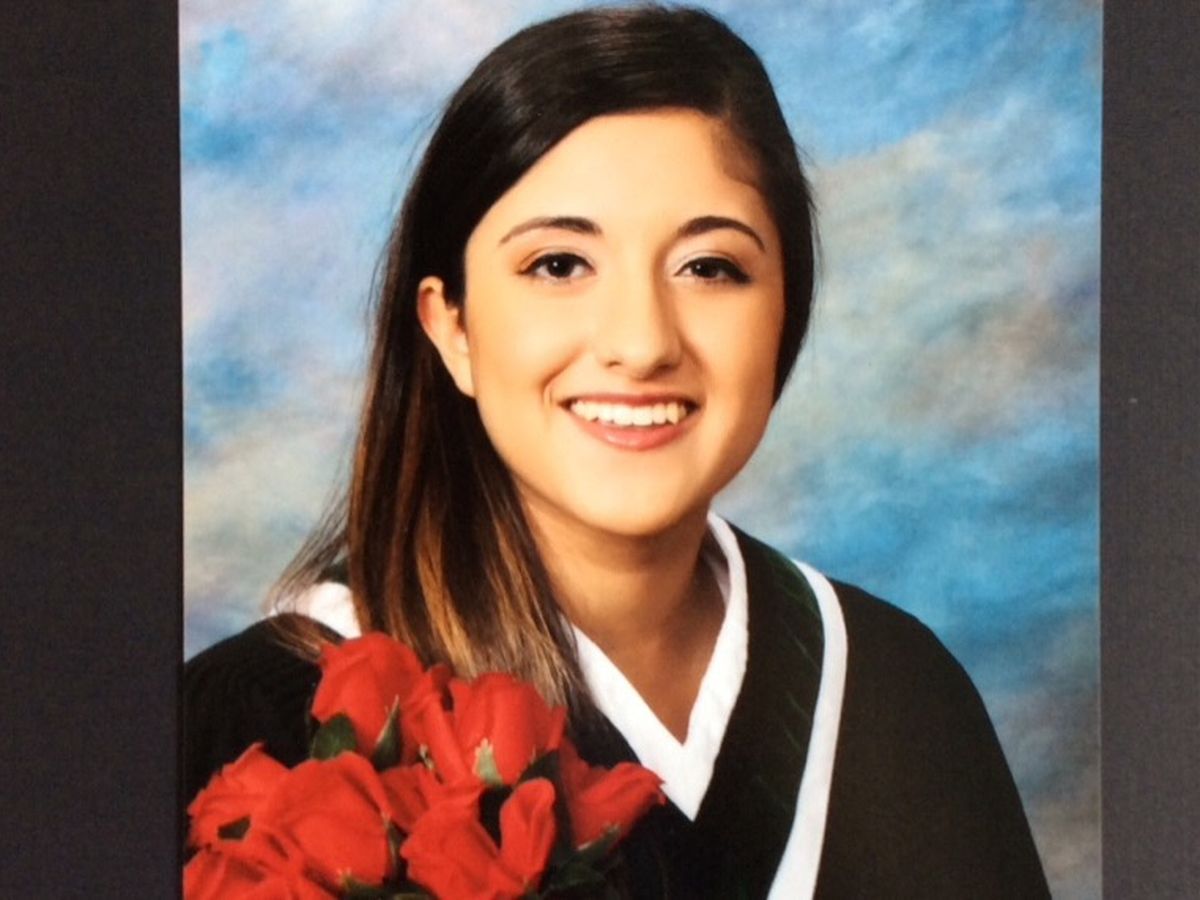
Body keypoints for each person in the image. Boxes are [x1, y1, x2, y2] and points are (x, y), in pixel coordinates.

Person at [184, 6, 1050, 897]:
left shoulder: (897, 692)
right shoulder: (252, 731)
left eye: (709, 268)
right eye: (559, 265)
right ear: (452, 328)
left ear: (785, 310)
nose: (642, 344)